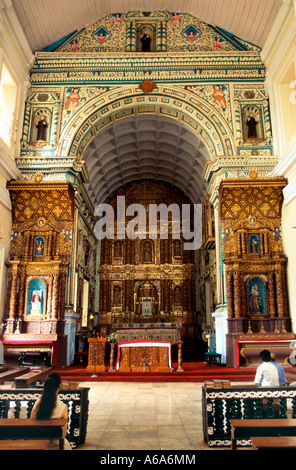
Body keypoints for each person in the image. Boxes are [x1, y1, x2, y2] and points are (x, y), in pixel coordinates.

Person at [31, 372, 71, 450]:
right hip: (57, 446)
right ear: (59, 386)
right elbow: (64, 433)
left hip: (39, 444)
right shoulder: (63, 407)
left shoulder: (37, 404)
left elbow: (31, 423)